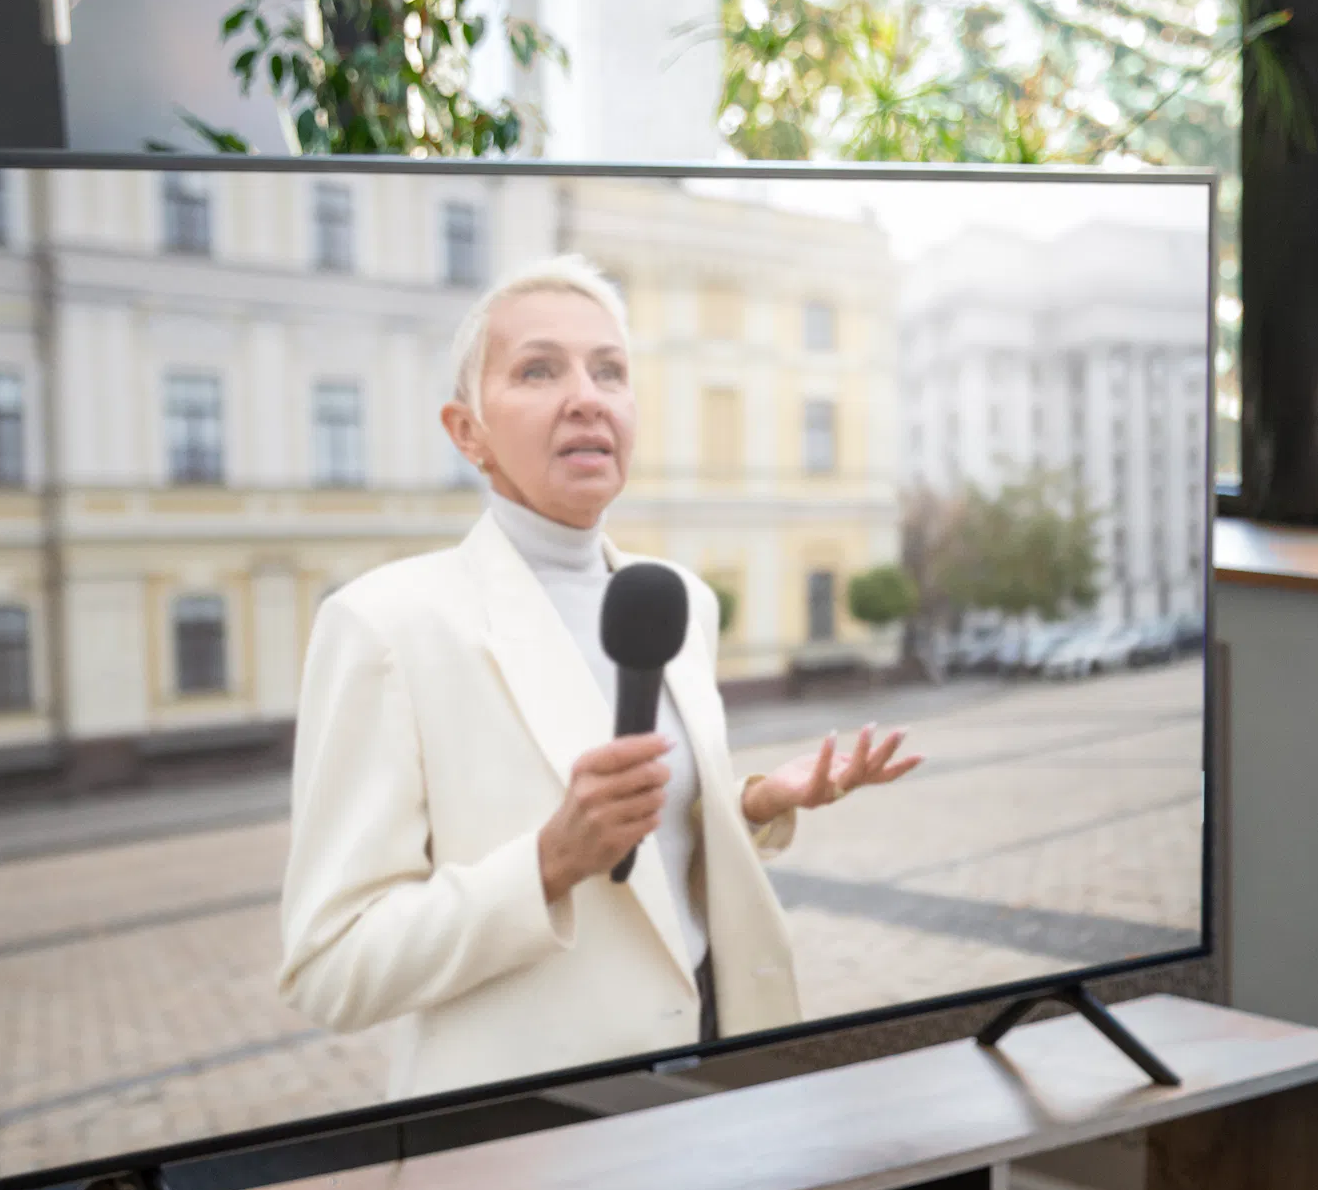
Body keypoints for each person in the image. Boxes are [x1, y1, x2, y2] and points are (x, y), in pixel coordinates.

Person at [278, 253, 919, 1097]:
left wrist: (749, 806)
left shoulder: (675, 599)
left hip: (720, 1068)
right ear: (467, 431)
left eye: (609, 371)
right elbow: (332, 967)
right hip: (527, 1135)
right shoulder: (387, 625)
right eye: (538, 370)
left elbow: (655, 863)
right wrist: (548, 861)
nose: (586, 395)